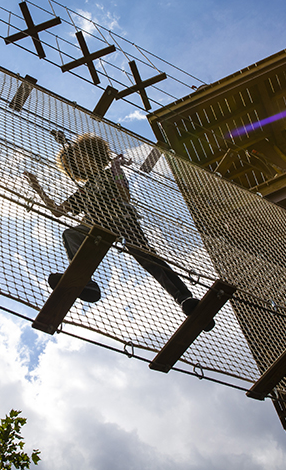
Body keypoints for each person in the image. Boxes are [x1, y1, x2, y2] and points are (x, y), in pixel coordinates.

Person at [24, 133, 212, 328]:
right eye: (78, 163)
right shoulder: (84, 190)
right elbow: (58, 212)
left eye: (83, 157)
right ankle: (84, 281)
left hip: (122, 219)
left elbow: (125, 195)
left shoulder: (110, 173)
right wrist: (38, 189)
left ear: (94, 156)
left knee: (145, 255)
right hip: (98, 224)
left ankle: (184, 298)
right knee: (71, 234)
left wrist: (116, 168)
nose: (82, 163)